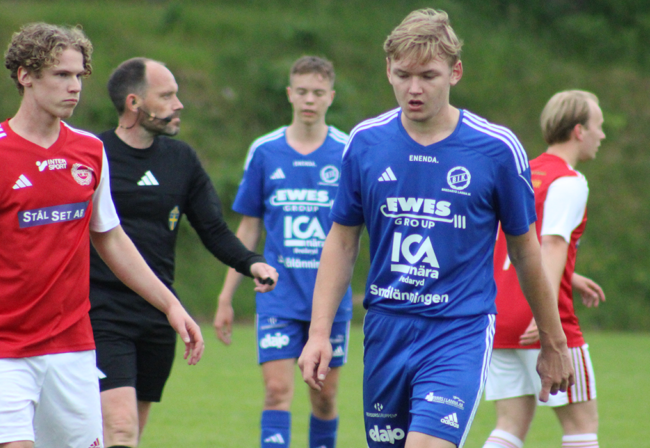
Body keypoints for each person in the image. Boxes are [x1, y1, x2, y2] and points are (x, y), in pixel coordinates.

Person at [0, 24, 203, 448]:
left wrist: (170, 305)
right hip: (3, 349)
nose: (75, 87)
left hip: (74, 348)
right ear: (25, 76)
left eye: (79, 75)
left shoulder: (90, 150)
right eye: (61, 75)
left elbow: (111, 238)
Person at [297, 9, 574, 448]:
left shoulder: (496, 149)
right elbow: (343, 241)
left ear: (455, 72)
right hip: (386, 328)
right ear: (388, 70)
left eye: (428, 76)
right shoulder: (365, 143)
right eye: (403, 75)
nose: (414, 88)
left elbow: (526, 251)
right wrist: (319, 334)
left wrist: (553, 342)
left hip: (458, 329)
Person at [89, 57, 279, 448]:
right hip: (101, 312)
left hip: (160, 313)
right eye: (167, 96)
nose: (179, 104)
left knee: (130, 433)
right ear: (134, 103)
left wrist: (252, 262)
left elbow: (214, 230)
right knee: (120, 426)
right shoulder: (94, 155)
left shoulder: (181, 160)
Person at [214, 56, 353, 448]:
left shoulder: (347, 152)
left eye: (318, 93)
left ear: (331, 97)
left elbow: (359, 229)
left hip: (329, 298)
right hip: (278, 295)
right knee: (276, 391)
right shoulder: (265, 151)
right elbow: (249, 226)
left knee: (324, 396)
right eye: (302, 91)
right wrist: (226, 296)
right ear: (290, 94)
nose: (309, 100)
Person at [483, 90, 606, 448]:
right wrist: (546, 311)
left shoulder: (523, 173)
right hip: (541, 318)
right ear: (579, 130)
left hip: (500, 315)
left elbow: (512, 246)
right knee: (582, 425)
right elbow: (551, 243)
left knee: (510, 424)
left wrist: (571, 276)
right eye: (598, 126)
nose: (602, 135)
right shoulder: (568, 181)